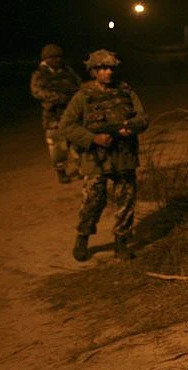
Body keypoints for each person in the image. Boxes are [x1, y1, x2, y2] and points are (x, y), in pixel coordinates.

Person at [60, 49, 148, 262]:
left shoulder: (126, 92)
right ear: (93, 72)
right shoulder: (83, 97)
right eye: (102, 68)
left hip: (123, 155)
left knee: (126, 199)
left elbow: (143, 117)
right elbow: (67, 125)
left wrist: (131, 127)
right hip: (96, 158)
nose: (108, 72)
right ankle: (82, 237)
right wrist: (93, 139)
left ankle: (121, 242)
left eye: (110, 68)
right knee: (93, 200)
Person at [30, 43, 82, 183]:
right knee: (57, 148)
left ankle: (82, 168)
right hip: (53, 116)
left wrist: (75, 97)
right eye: (53, 57)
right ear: (46, 59)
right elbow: (37, 92)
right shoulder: (39, 74)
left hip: (71, 113)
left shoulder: (68, 70)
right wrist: (57, 98)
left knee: (77, 142)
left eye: (59, 57)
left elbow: (79, 85)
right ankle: (61, 172)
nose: (57, 60)